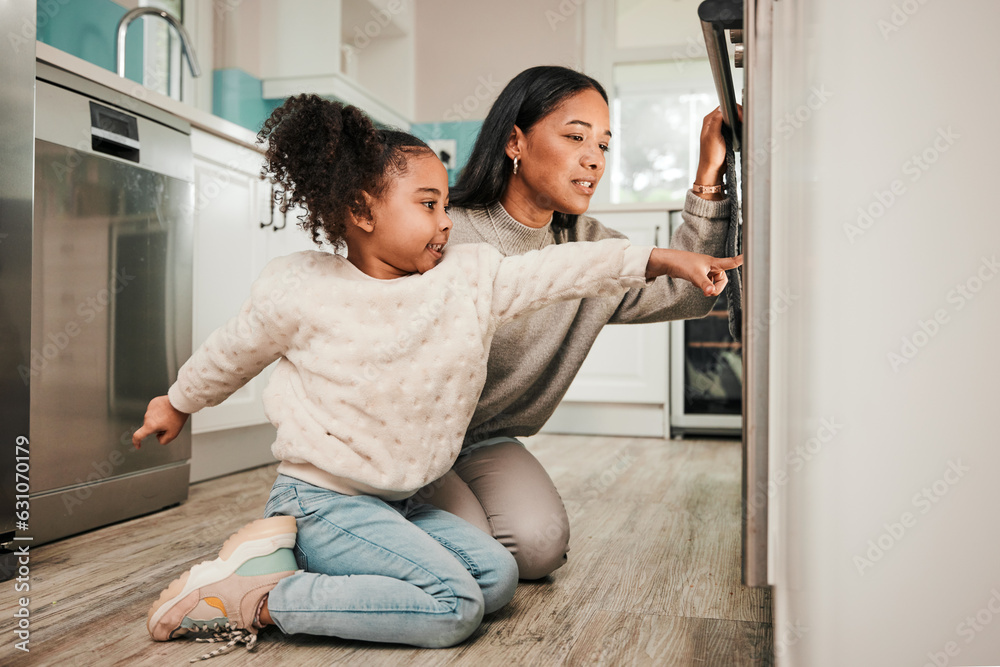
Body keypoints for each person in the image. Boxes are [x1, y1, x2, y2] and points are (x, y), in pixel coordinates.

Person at [131, 94, 741, 659]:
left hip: (400, 501)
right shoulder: (303, 288)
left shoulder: (466, 277)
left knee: (499, 577)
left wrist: (661, 257)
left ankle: (292, 565)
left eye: (446, 204)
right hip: (324, 501)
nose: (446, 221)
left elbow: (564, 269)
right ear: (360, 211)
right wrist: (177, 402)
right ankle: (263, 598)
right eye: (428, 205)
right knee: (456, 607)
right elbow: (231, 351)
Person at [416, 65, 737, 580]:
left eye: (604, 145)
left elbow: (688, 289)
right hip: (407, 433)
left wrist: (709, 176)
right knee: (474, 555)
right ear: (515, 142)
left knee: (539, 549)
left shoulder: (591, 248)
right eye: (575, 137)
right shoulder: (444, 227)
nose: (594, 159)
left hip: (483, 439)